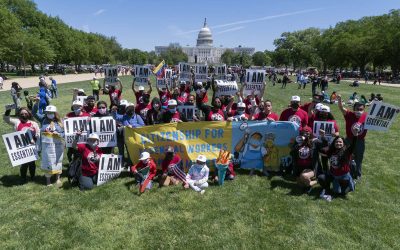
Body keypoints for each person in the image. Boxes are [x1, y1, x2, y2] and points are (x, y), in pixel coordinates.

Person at [3, 106, 40, 184]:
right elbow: (6, 119)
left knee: (32, 163)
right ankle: (23, 178)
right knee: (24, 163)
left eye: (25, 113)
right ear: (19, 114)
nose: (24, 115)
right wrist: (8, 111)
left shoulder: (34, 123)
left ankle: (32, 177)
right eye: (22, 113)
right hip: (21, 147)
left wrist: (35, 139)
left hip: (31, 146)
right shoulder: (17, 122)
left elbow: (38, 134)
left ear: (29, 114)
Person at [337, 95, 367, 181]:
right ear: (354, 109)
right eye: (357, 109)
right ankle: (346, 171)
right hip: (349, 140)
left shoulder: (366, 117)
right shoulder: (350, 114)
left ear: (364, 110)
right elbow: (341, 108)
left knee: (359, 157)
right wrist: (339, 100)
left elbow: (382, 119)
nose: (359, 111)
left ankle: (358, 174)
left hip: (360, 141)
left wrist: (395, 112)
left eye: (361, 109)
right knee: (346, 156)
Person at [317, 136, 356, 201]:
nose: (338, 143)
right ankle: (327, 190)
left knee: (342, 193)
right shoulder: (331, 151)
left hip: (344, 178)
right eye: (336, 142)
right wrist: (322, 138)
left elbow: (353, 146)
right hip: (334, 176)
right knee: (321, 178)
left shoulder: (346, 152)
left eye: (340, 142)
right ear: (334, 143)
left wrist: (355, 136)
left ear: (343, 143)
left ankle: (352, 184)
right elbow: (321, 150)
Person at [37, 105, 65, 187]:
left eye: (51, 113)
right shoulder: (43, 120)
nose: (49, 114)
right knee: (48, 161)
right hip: (47, 146)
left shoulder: (60, 122)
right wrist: (37, 103)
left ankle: (57, 178)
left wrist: (59, 133)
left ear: (55, 113)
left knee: (58, 160)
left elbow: (64, 133)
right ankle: (48, 180)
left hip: (58, 145)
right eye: (48, 113)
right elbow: (34, 113)